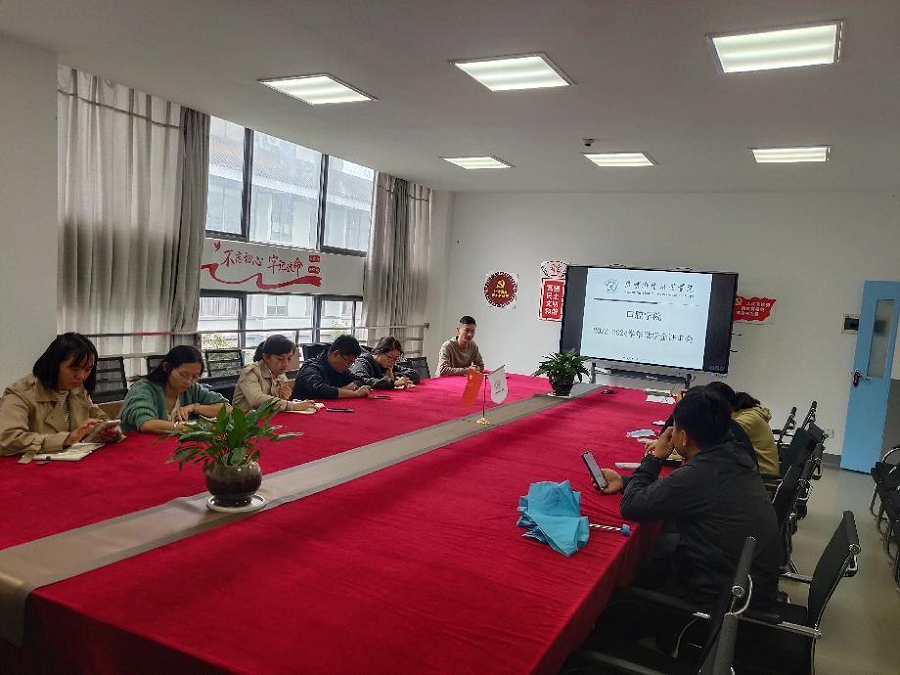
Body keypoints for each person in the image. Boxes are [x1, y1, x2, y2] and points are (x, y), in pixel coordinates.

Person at [597, 388, 781, 610]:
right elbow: (679, 490)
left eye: (674, 429)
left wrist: (655, 458)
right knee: (656, 552)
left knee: (615, 599)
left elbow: (630, 507)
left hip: (719, 603)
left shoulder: (702, 473)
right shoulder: (734, 453)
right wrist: (624, 482)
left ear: (683, 437)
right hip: (747, 584)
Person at [0, 333, 123, 456]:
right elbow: (7, 439)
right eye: (74, 369)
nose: (81, 376)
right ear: (53, 364)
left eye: (88, 369)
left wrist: (109, 431)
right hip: (30, 464)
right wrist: (67, 439)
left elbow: (98, 418)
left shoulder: (78, 390)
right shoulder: (21, 393)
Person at [120, 345, 229, 433]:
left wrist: (194, 407)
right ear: (166, 368)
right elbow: (147, 424)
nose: (189, 381)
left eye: (195, 376)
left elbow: (228, 410)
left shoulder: (192, 389)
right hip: (136, 446)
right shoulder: (144, 388)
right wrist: (194, 428)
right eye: (183, 375)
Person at [706, 381, 780, 475]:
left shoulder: (746, 420)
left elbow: (713, 441)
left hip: (763, 477)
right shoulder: (741, 413)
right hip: (750, 472)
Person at [233, 335, 317, 413]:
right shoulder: (250, 372)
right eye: (280, 359)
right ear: (266, 357)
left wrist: (286, 398)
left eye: (289, 358)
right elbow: (257, 400)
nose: (285, 364)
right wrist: (291, 405)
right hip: (245, 420)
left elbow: (280, 404)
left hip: (269, 416)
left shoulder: (280, 374)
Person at [291, 335, 371, 400]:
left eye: (352, 363)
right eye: (347, 361)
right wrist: (356, 394)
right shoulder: (310, 368)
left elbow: (359, 380)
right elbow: (321, 390)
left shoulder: (339, 368)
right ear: (336, 354)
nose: (348, 366)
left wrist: (347, 388)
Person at [350, 337, 421, 390]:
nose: (392, 361)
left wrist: (396, 377)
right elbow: (360, 380)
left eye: (396, 358)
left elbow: (414, 374)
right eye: (389, 357)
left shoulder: (388, 366)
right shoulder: (363, 362)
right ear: (378, 352)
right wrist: (393, 383)